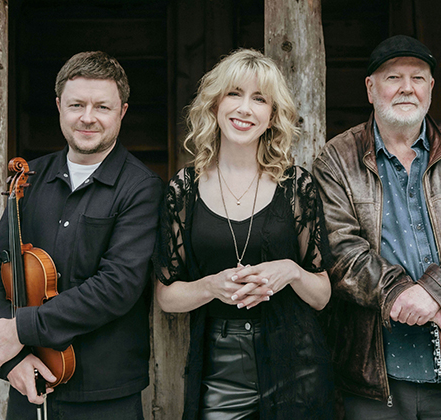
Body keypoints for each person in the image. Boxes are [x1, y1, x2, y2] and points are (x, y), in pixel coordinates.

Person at [312, 35, 441, 419]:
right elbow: (338, 247)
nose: (406, 87)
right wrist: (397, 292)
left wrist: (435, 292)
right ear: (370, 88)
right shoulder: (335, 160)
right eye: (393, 77)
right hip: (375, 376)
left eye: (418, 77)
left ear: (430, 88)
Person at [0, 51, 163, 419]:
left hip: (105, 392)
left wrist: (21, 328)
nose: (88, 117)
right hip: (29, 380)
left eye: (102, 107)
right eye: (77, 104)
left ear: (122, 111)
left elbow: (118, 286)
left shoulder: (141, 187)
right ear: (59, 106)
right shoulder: (30, 178)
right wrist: (13, 358)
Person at [153, 48, 334, 420]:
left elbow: (321, 296)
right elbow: (166, 297)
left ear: (272, 117)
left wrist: (292, 271)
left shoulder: (296, 187)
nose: (245, 108)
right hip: (221, 364)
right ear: (215, 104)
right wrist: (211, 287)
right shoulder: (183, 190)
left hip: (296, 360)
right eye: (234, 94)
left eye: (259, 99)